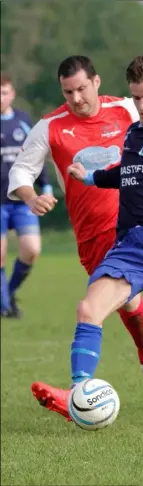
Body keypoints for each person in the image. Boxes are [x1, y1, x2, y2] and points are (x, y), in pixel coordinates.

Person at [7, 56, 143, 415]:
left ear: (96, 82)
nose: (76, 97)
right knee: (129, 306)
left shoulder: (127, 107)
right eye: (68, 91)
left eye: (81, 88)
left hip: (135, 226)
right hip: (90, 232)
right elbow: (21, 173)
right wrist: (32, 198)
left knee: (113, 305)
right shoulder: (50, 126)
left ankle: (119, 373)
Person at [1, 72, 53, 318]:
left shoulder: (23, 120)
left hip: (23, 200)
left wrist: (46, 186)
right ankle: (5, 306)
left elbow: (36, 156)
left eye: (4, 93)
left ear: (11, 94)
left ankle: (8, 293)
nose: (0, 98)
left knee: (31, 249)